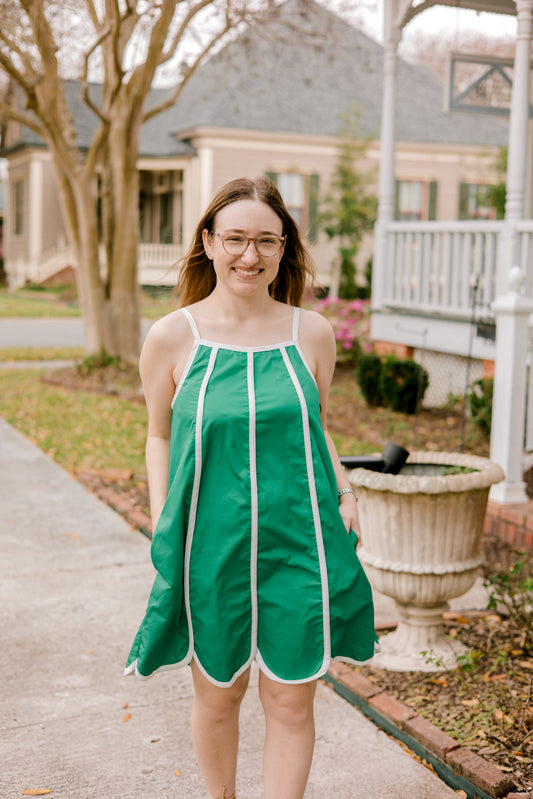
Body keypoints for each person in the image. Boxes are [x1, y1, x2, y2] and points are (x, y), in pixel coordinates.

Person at [125, 176, 377, 799]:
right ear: (208, 242)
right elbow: (158, 435)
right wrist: (164, 517)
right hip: (211, 541)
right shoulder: (171, 337)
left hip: (300, 536)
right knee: (219, 695)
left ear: (284, 248)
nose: (249, 255)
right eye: (235, 238)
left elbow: (314, 428)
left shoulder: (311, 333)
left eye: (266, 241)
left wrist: (343, 491)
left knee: (291, 703)